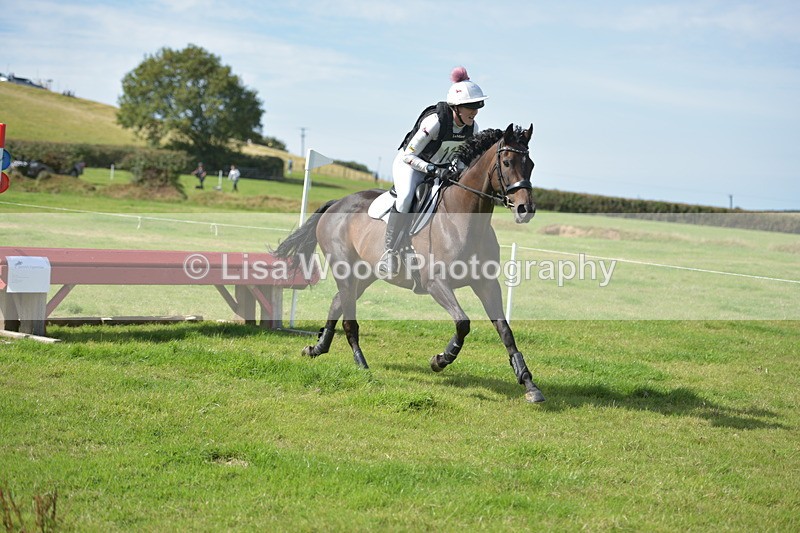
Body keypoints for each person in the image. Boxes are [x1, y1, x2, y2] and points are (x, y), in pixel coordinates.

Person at [377, 66, 488, 277]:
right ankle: (390, 251)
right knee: (406, 197)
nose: (475, 111)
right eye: (470, 106)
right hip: (411, 165)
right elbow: (408, 155)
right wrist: (432, 169)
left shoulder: (472, 128)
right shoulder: (435, 122)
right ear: (456, 108)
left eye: (477, 106)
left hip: (439, 168)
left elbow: (466, 158)